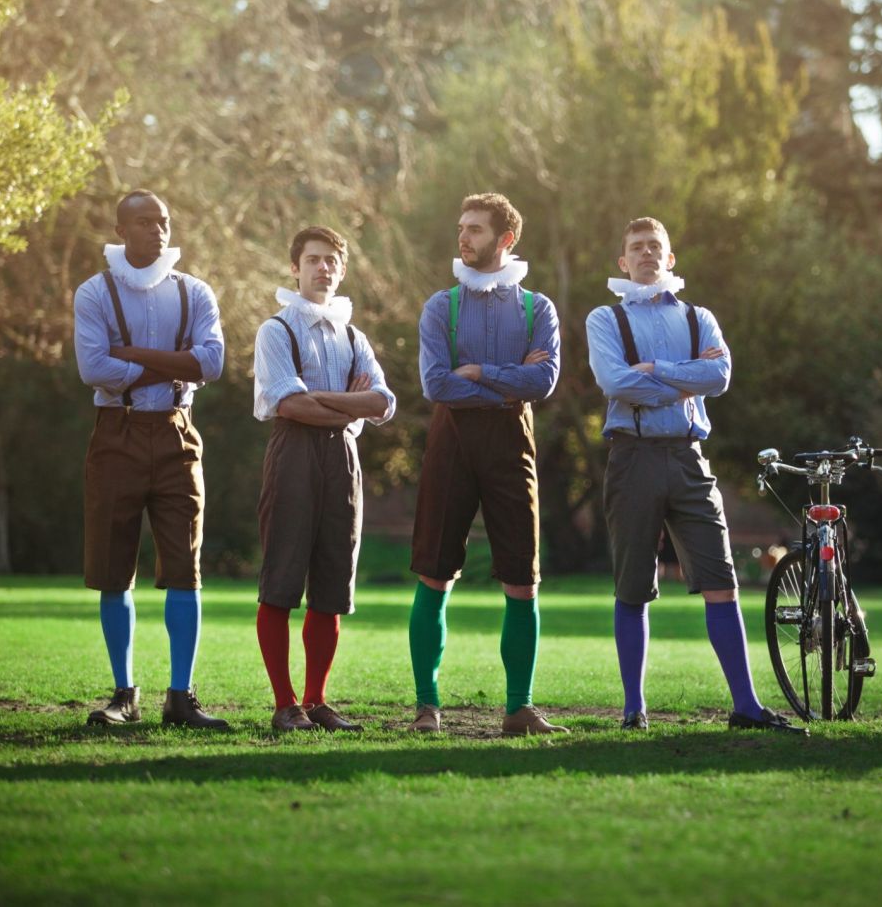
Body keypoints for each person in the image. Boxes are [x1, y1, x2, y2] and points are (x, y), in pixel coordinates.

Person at [586, 217, 803, 735]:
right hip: (632, 456)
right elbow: (613, 380)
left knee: (722, 581)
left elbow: (720, 376)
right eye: (635, 247)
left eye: (654, 246)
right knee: (633, 586)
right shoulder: (605, 318)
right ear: (622, 262)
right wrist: (684, 378)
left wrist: (653, 371)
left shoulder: (698, 316)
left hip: (689, 458)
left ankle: (746, 708)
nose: (645, 254)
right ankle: (634, 710)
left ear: (670, 257)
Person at [407, 193, 564, 735]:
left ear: (506, 239)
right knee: (434, 574)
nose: (463, 236)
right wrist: (502, 379)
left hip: (511, 445)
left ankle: (518, 709)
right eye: (461, 226)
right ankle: (427, 707)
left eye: (474, 228)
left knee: (523, 580)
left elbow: (543, 381)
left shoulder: (537, 309)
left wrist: (476, 372)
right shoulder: (439, 307)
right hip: (451, 444)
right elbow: (436, 384)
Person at [73, 189, 229, 729]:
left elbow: (211, 363)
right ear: (121, 231)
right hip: (116, 434)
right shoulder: (94, 293)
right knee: (114, 570)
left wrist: (135, 356)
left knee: (185, 569)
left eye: (162, 221)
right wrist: (174, 364)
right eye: (143, 222)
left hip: (176, 436)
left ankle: (181, 697)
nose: (157, 230)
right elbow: (94, 369)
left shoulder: (195, 291)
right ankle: (124, 694)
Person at [253, 226, 395, 734]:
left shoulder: (354, 336)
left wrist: (325, 401)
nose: (323, 268)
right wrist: (347, 404)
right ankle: (285, 703)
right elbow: (288, 404)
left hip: (344, 459)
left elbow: (382, 402)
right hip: (292, 453)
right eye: (313, 259)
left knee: (332, 585)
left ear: (341, 268)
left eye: (332, 260)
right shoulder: (277, 330)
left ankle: (316, 701)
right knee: (281, 580)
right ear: (295, 267)